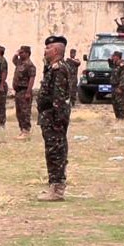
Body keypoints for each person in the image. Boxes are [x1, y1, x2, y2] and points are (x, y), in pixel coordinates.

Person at [37, 36, 72, 201]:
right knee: (52, 152)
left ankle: (57, 190)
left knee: (56, 153)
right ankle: (53, 186)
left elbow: (58, 97)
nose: (45, 51)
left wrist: (58, 121)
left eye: (48, 48)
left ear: (56, 50)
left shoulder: (59, 70)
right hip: (49, 117)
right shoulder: (52, 68)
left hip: (54, 118)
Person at [12, 46, 37, 138]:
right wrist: (16, 54)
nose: (20, 54)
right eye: (20, 52)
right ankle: (22, 130)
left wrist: (28, 92)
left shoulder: (30, 65)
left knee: (25, 112)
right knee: (19, 112)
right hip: (18, 91)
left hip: (24, 91)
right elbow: (14, 60)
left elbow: (31, 79)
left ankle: (26, 130)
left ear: (27, 53)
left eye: (22, 52)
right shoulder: (20, 63)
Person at [109, 50, 124, 123]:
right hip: (114, 87)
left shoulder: (122, 66)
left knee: (120, 104)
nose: (113, 57)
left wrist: (120, 87)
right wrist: (111, 59)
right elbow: (110, 63)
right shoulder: (115, 65)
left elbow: (123, 77)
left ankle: (121, 119)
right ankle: (117, 118)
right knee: (115, 104)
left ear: (118, 57)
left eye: (114, 56)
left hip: (119, 87)